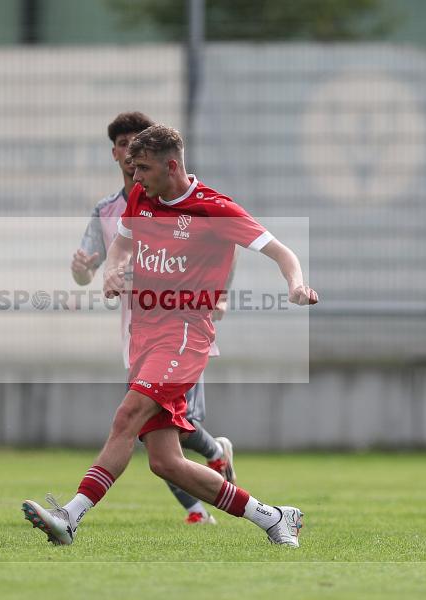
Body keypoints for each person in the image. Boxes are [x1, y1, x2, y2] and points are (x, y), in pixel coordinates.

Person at [24, 124, 317, 546]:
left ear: (172, 165)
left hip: (184, 335)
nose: (135, 179)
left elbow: (281, 251)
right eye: (132, 168)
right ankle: (273, 517)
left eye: (142, 168)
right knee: (166, 462)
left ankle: (69, 517)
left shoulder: (215, 208)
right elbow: (123, 245)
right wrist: (113, 270)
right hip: (143, 335)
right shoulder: (144, 196)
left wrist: (295, 285)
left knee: (126, 418)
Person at [71, 111, 235, 525]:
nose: (130, 155)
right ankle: (226, 475)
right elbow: (85, 271)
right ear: (115, 153)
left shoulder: (180, 202)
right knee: (156, 433)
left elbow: (221, 245)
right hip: (138, 329)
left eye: (137, 147)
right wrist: (86, 268)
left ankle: (200, 503)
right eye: (123, 146)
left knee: (157, 424)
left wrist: (220, 294)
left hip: (182, 329)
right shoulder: (108, 210)